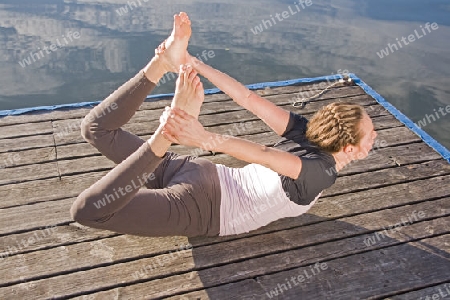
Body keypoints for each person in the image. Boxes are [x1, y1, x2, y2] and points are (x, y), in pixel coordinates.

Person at [70, 12, 377, 237]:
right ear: (351, 148)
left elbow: (246, 98)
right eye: (371, 135)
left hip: (197, 171)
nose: (375, 136)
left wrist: (194, 65)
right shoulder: (323, 172)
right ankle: (164, 125)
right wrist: (199, 132)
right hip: (201, 207)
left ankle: (160, 70)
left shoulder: (305, 133)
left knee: (96, 128)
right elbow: (263, 153)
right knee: (88, 212)